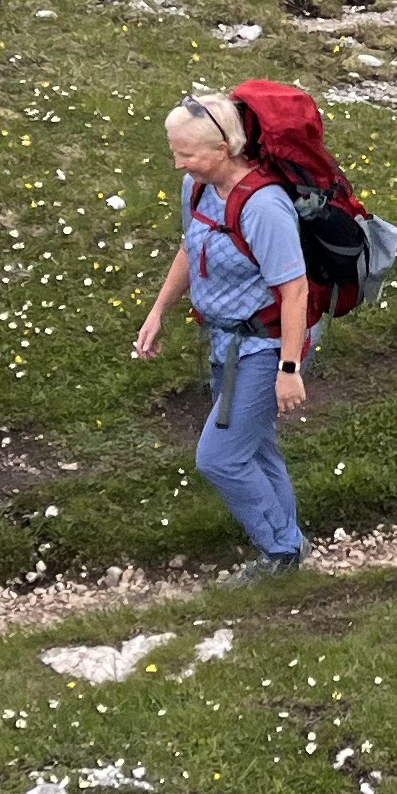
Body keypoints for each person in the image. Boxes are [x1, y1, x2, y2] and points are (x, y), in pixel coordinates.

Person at [130, 91, 313, 578]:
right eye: (175, 151)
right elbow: (192, 248)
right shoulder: (199, 190)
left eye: (186, 154)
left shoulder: (264, 206)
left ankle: (281, 550)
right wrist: (158, 311)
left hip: (266, 348)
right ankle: (288, 551)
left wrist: (289, 369)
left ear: (224, 148)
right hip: (226, 342)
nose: (178, 164)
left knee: (220, 457)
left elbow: (295, 291)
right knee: (255, 447)